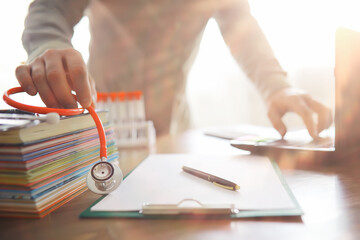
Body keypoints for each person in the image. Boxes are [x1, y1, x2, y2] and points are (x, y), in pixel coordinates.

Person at [15, 0, 332, 137]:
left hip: (175, 128)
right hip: (103, 123)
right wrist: (46, 48)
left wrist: (277, 86)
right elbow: (51, 7)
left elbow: (242, 29)